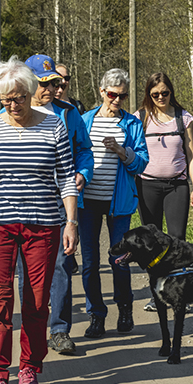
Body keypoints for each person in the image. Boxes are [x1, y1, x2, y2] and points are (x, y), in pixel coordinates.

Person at [0, 57, 79, 384]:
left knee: (37, 301)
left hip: (43, 225)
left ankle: (29, 365)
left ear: (31, 93)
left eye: (18, 98)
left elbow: (66, 179)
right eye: (5, 99)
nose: (12, 105)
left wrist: (70, 222)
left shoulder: (54, 126)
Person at [22, 54, 93, 356]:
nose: (51, 88)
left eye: (55, 82)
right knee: (29, 270)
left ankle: (60, 330)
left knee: (63, 264)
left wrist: (82, 174)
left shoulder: (68, 113)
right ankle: (31, 330)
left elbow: (85, 150)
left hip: (62, 200)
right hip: (25, 203)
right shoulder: (13, 111)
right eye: (44, 83)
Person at [78, 68, 148, 338]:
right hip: (88, 202)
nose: (117, 100)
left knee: (119, 258)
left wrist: (123, 152)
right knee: (89, 262)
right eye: (112, 94)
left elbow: (142, 162)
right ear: (101, 91)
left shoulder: (132, 124)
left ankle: (125, 309)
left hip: (118, 201)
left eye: (123, 95)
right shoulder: (85, 121)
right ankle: (96, 315)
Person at [136, 72, 193, 311]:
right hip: (147, 185)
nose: (160, 97)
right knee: (151, 242)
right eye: (155, 94)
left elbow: (192, 155)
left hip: (177, 186)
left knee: (177, 240)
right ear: (148, 95)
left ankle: (179, 294)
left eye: (165, 93)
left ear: (171, 92)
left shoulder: (184, 118)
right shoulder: (140, 117)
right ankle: (157, 295)